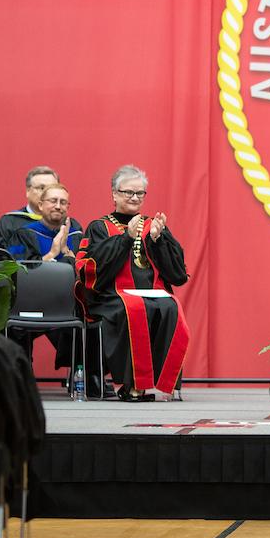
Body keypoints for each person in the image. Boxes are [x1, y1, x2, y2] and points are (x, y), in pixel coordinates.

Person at [75, 165, 189, 402]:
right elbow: (92, 270)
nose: (135, 198)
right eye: (129, 192)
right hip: (112, 295)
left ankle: (162, 385)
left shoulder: (153, 225)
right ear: (114, 194)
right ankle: (132, 385)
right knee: (134, 308)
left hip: (152, 292)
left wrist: (159, 240)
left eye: (140, 193)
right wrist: (125, 238)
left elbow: (177, 273)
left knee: (171, 307)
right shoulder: (99, 227)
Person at [0, 165, 83, 246]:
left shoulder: (71, 225)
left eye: (51, 188)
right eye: (42, 188)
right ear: (28, 191)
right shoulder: (10, 222)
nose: (46, 192)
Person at [8, 183, 80, 263]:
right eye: (53, 201)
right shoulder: (24, 235)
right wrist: (51, 254)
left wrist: (67, 252)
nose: (58, 207)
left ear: (67, 207)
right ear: (41, 205)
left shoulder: (76, 236)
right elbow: (18, 270)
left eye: (63, 202)